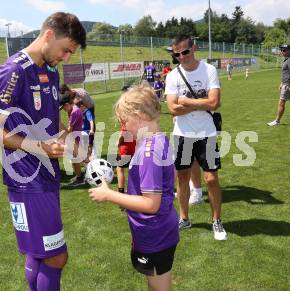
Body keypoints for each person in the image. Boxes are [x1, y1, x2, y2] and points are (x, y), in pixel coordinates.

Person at [0, 12, 86, 291]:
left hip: (46, 177)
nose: (66, 57)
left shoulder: (51, 71)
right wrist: (38, 147)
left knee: (39, 253)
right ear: (49, 35)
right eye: (66, 50)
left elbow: (51, 121)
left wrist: (71, 141)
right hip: (27, 180)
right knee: (57, 256)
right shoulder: (13, 71)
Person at [89, 85, 179, 291]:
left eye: (124, 121)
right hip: (155, 230)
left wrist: (109, 194)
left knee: (159, 286)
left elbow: (151, 203)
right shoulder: (159, 139)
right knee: (155, 283)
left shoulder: (148, 151)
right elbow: (170, 177)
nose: (123, 127)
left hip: (155, 233)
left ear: (139, 115)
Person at [165, 34, 227, 241]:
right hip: (182, 134)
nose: (182, 57)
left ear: (194, 48)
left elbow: (215, 103)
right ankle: (184, 218)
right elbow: (172, 108)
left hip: (206, 133)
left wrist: (185, 101)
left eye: (185, 51)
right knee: (182, 178)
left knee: (211, 178)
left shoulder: (208, 70)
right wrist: (200, 102)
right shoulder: (172, 76)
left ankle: (216, 220)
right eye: (177, 54)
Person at [267, 44, 290, 127]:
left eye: (284, 50)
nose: (282, 51)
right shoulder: (286, 60)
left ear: (289, 50)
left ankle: (277, 121)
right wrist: (281, 83)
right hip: (286, 84)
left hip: (288, 85)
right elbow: (286, 73)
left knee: (281, 103)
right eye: (282, 50)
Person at [60, 95, 86, 186]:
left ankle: (80, 179)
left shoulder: (74, 112)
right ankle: (79, 176)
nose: (63, 109)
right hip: (74, 136)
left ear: (67, 104)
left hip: (74, 137)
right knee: (75, 159)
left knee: (76, 159)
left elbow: (69, 130)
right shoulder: (73, 110)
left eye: (63, 107)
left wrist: (60, 126)